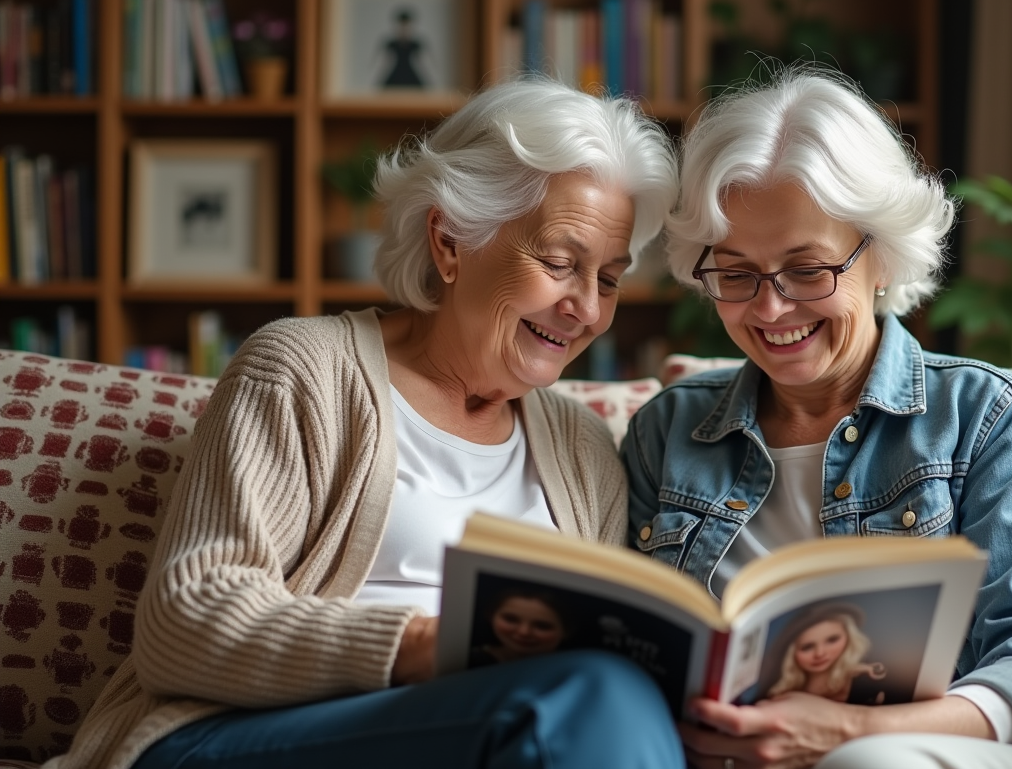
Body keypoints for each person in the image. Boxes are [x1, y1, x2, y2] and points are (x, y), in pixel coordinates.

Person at [49, 78, 682, 769]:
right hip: (232, 737)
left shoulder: (584, 447)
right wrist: (425, 645)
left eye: (610, 279)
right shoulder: (304, 370)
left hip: (477, 741)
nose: (587, 308)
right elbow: (184, 622)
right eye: (561, 264)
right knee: (591, 696)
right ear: (450, 242)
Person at [621, 69, 1012, 769]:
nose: (769, 309)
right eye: (736, 274)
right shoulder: (666, 432)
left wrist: (842, 735)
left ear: (879, 255)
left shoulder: (982, 416)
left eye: (808, 269)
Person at [765, 603, 885, 703]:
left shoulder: (866, 681)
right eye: (807, 647)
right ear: (791, 654)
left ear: (849, 638)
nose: (820, 653)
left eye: (832, 640)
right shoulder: (780, 695)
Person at [470, 587, 571, 666]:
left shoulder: (577, 669)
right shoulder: (465, 660)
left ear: (567, 630)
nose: (524, 632)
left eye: (542, 626)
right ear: (490, 616)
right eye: (511, 619)